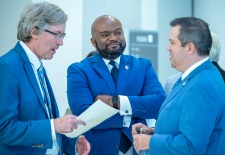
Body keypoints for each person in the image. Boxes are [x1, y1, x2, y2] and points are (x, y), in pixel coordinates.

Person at [67, 15, 166, 155]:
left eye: (118, 33)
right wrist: (129, 118)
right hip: (98, 149)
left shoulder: (143, 66)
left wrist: (116, 102)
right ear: (93, 41)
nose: (114, 38)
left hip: (138, 148)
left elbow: (159, 103)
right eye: (105, 34)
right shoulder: (79, 70)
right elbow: (84, 114)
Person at [0, 2, 90, 155]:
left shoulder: (37, 66)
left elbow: (45, 118)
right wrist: (54, 126)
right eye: (57, 34)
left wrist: (72, 145)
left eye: (63, 35)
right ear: (34, 31)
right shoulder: (8, 66)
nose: (61, 42)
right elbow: (4, 128)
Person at [132, 17, 225, 155]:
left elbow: (191, 146)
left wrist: (150, 142)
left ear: (189, 48)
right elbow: (187, 127)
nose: (168, 48)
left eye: (172, 43)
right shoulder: (193, 77)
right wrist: (153, 133)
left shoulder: (202, 84)